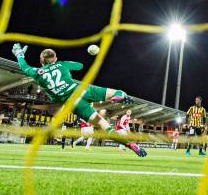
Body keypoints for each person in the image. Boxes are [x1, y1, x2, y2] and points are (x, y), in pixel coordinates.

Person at [12, 43, 146, 157]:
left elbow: (24, 67)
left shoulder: (37, 73)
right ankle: (120, 96)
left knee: (104, 126)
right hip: (83, 90)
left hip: (73, 103)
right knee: (116, 92)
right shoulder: (61, 64)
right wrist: (63, 65)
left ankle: (129, 144)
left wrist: (19, 55)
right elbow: (79, 66)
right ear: (55, 58)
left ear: (41, 61)